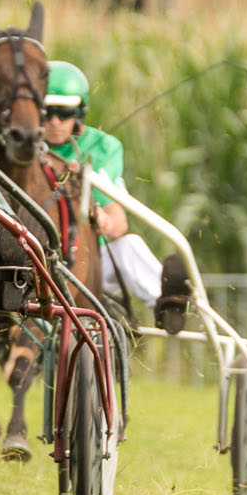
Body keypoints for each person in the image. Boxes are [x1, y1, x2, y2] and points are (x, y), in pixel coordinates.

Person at [40, 60, 186, 320]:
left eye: (63, 112)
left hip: (87, 262)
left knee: (129, 245)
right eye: (47, 111)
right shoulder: (21, 150)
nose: (54, 121)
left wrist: (102, 220)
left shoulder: (101, 148)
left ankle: (168, 303)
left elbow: (119, 224)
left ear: (79, 113)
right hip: (35, 263)